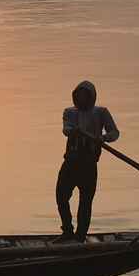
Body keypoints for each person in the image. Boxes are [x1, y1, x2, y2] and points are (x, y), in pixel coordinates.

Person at [56, 80, 119, 241]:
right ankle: (67, 231)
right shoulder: (69, 112)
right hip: (71, 162)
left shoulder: (101, 112)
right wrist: (73, 131)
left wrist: (103, 138)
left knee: (85, 201)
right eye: (79, 96)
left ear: (91, 97)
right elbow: (66, 129)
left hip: (89, 164)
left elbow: (114, 133)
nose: (82, 99)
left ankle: (80, 236)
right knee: (61, 196)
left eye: (85, 96)